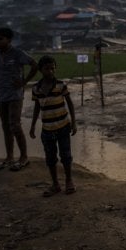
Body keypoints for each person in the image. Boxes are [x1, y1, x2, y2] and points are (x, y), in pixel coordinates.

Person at [0, 27, 38, 171]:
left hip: (15, 95)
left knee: (15, 125)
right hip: (1, 94)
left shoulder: (18, 53)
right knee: (5, 127)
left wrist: (24, 82)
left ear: (9, 40)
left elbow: (34, 65)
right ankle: (9, 157)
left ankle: (24, 157)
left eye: (0, 39)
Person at [30, 55, 77, 196]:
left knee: (66, 155)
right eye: (47, 69)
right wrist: (32, 125)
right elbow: (37, 107)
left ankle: (69, 180)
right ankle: (55, 184)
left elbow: (70, 103)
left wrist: (73, 123)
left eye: (52, 68)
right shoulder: (36, 89)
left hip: (63, 126)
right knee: (50, 158)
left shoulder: (61, 85)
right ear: (40, 70)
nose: (50, 71)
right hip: (47, 129)